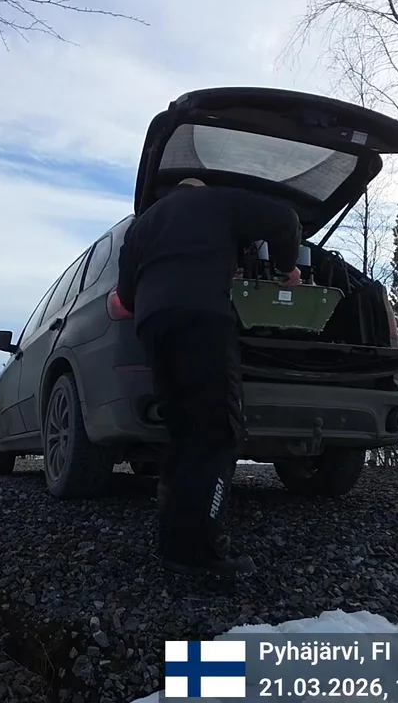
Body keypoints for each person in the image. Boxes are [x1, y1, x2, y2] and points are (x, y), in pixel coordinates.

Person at [116, 177, 302, 576]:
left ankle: (175, 545)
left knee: (184, 433)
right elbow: (285, 220)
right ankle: (202, 550)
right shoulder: (220, 202)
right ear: (201, 188)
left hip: (153, 326)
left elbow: (126, 296)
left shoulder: (141, 227)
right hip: (202, 318)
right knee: (218, 433)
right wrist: (287, 268)